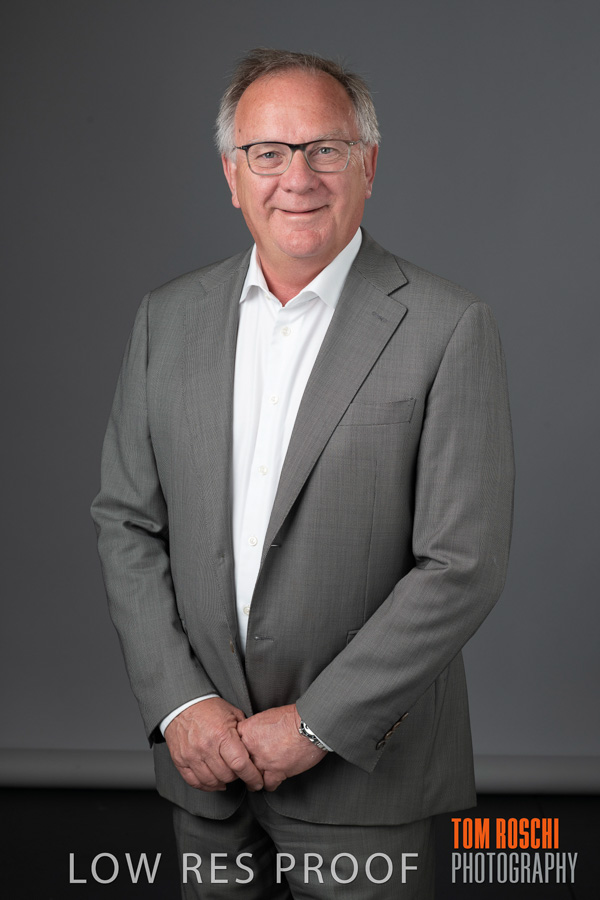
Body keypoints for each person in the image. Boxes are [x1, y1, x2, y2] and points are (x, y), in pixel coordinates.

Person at [91, 47, 514, 899]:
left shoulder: (447, 327)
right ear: (231, 174)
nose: (298, 177)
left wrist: (317, 724)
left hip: (365, 778)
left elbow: (461, 564)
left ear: (369, 165)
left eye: (326, 149)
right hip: (205, 767)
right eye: (268, 152)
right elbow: (126, 522)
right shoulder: (167, 319)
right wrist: (181, 704)